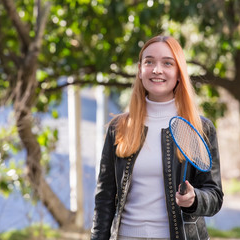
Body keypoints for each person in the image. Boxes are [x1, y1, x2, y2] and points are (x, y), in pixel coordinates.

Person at [91, 35, 223, 240]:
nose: (157, 70)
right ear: (140, 70)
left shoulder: (200, 128)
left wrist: (194, 199)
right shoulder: (119, 127)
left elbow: (214, 195)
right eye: (149, 62)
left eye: (167, 63)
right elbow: (104, 198)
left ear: (179, 73)